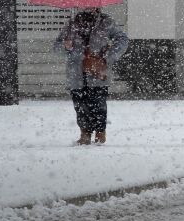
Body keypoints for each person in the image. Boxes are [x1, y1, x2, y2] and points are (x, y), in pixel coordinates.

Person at [53, 8, 128, 145]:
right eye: (86, 4)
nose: (88, 6)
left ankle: (100, 132)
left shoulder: (106, 22)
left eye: (92, 4)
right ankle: (85, 133)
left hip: (97, 72)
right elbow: (56, 47)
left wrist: (108, 57)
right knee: (80, 105)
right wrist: (66, 46)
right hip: (76, 73)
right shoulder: (71, 24)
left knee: (98, 103)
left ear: (97, 6)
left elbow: (122, 40)